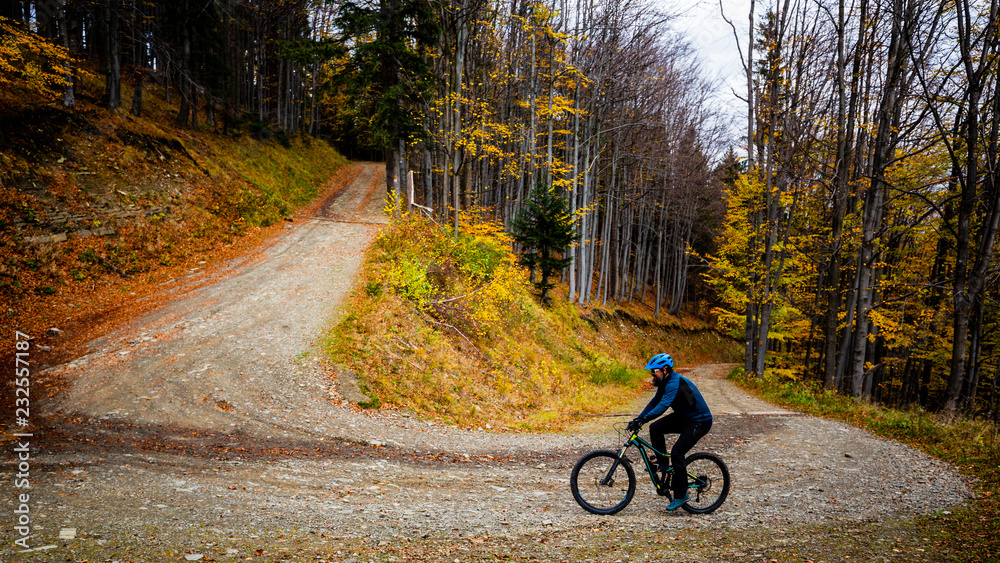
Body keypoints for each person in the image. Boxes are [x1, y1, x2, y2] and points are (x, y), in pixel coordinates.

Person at [627, 353, 713, 510]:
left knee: (677, 453)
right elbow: (654, 402)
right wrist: (638, 419)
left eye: (654, 371)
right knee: (655, 428)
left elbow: (663, 406)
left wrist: (643, 419)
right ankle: (663, 464)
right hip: (685, 417)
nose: (651, 374)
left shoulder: (674, 383)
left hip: (699, 422)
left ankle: (681, 495)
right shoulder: (664, 382)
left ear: (665, 369)